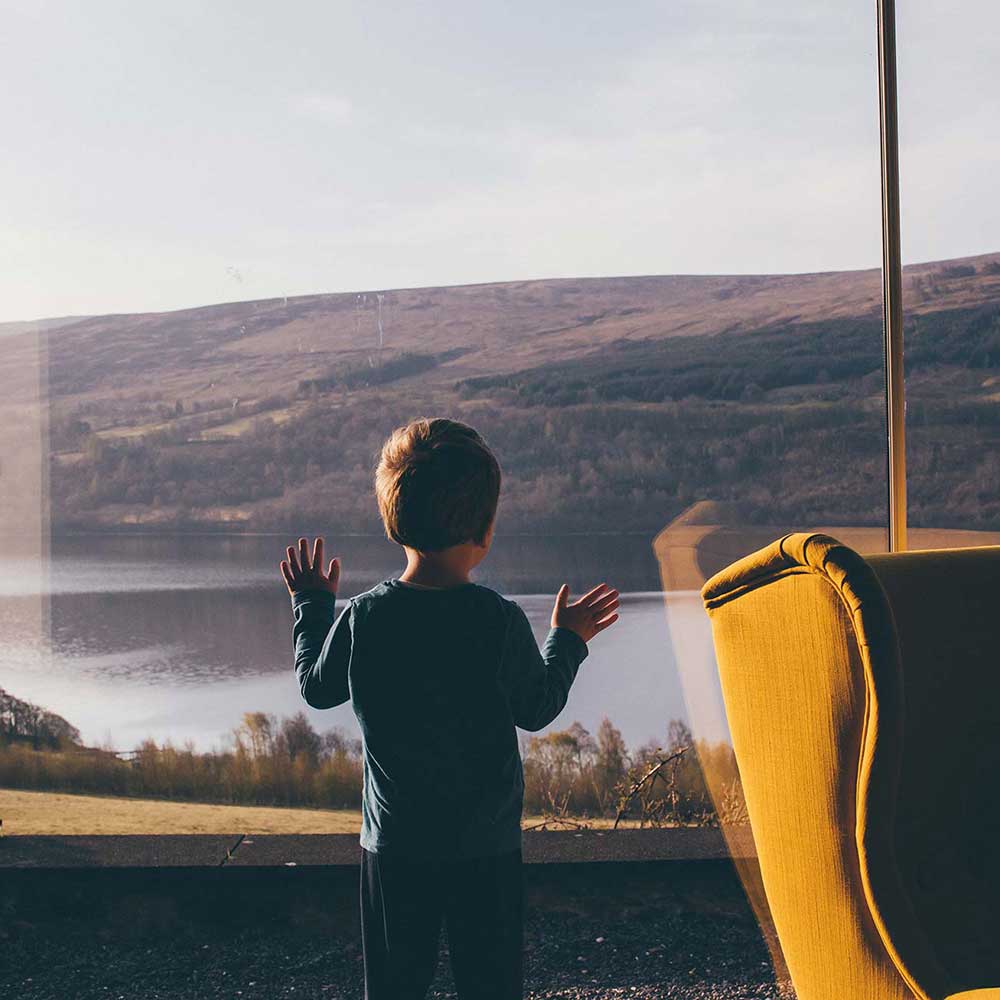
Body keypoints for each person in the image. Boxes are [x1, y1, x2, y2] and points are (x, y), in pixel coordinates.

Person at [280, 417, 620, 1000]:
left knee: (394, 985)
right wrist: (568, 640)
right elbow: (537, 708)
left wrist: (312, 606)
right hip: (484, 849)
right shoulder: (497, 620)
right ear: (484, 531)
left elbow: (316, 687)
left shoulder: (364, 617)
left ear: (393, 523)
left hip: (394, 849)